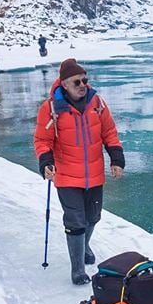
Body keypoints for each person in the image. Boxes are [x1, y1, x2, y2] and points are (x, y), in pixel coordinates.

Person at [34, 58, 124, 285]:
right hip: (66, 176)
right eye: (77, 82)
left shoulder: (98, 103)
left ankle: (84, 246)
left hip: (94, 173)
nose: (83, 85)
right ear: (64, 84)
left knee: (93, 216)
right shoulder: (51, 109)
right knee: (75, 221)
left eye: (85, 80)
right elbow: (42, 140)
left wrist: (116, 158)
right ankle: (78, 269)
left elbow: (109, 132)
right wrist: (46, 161)